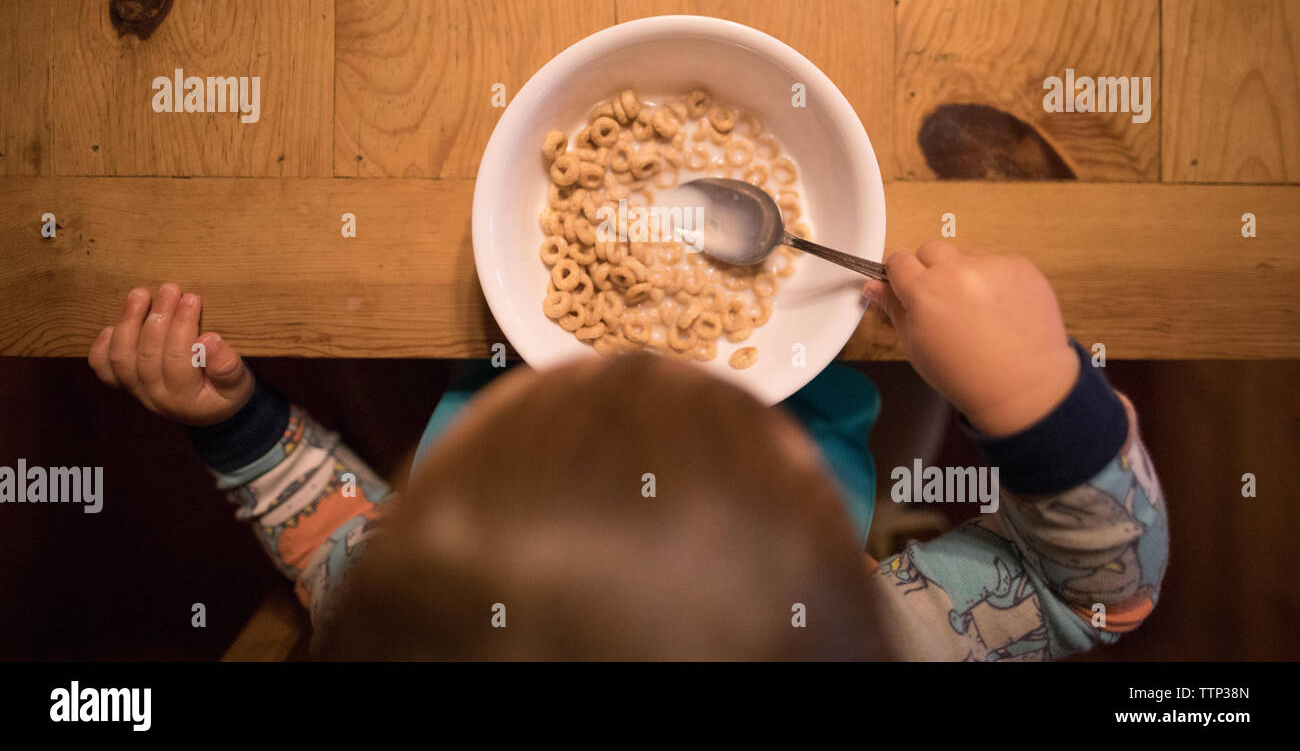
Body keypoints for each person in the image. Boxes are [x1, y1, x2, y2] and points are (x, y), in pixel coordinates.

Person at [87, 241, 1167, 660]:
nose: (648, 367)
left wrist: (237, 423)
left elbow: (337, 550)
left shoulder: (425, 613)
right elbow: (1093, 596)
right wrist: (1030, 391)